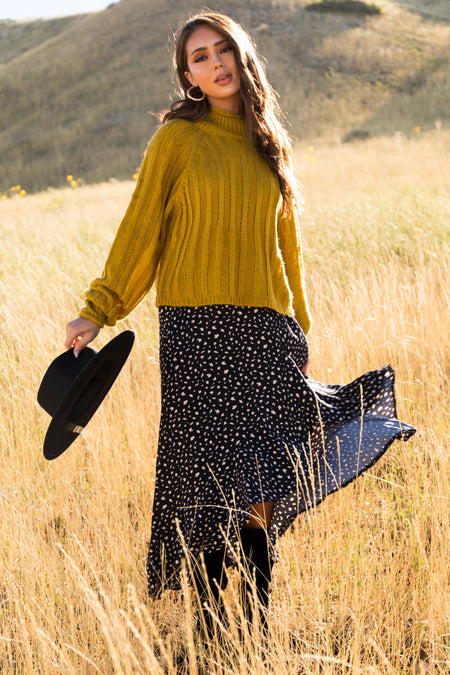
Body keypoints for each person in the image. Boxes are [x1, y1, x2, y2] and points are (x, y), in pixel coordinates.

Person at [65, 10, 416, 642]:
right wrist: (100, 307)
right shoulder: (176, 140)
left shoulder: (266, 139)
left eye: (223, 49)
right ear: (188, 76)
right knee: (207, 489)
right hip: (198, 335)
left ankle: (255, 624)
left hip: (265, 335)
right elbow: (142, 228)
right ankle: (206, 632)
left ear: (242, 56)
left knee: (264, 486)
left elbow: (289, 247)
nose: (215, 62)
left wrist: (299, 328)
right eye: (199, 57)